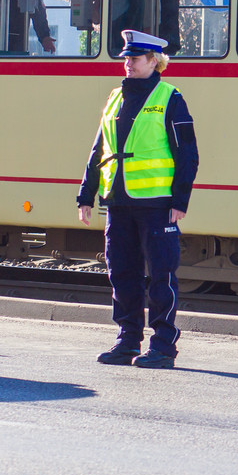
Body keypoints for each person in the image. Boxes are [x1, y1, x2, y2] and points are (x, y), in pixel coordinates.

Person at [77, 29, 199, 369]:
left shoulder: (170, 97)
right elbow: (99, 150)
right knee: (122, 272)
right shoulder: (116, 97)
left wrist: (180, 200)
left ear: (154, 61)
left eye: (134, 58)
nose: (127, 63)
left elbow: (188, 153)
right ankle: (128, 339)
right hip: (118, 200)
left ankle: (163, 345)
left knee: (161, 275)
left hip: (158, 203)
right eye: (126, 58)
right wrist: (85, 195)